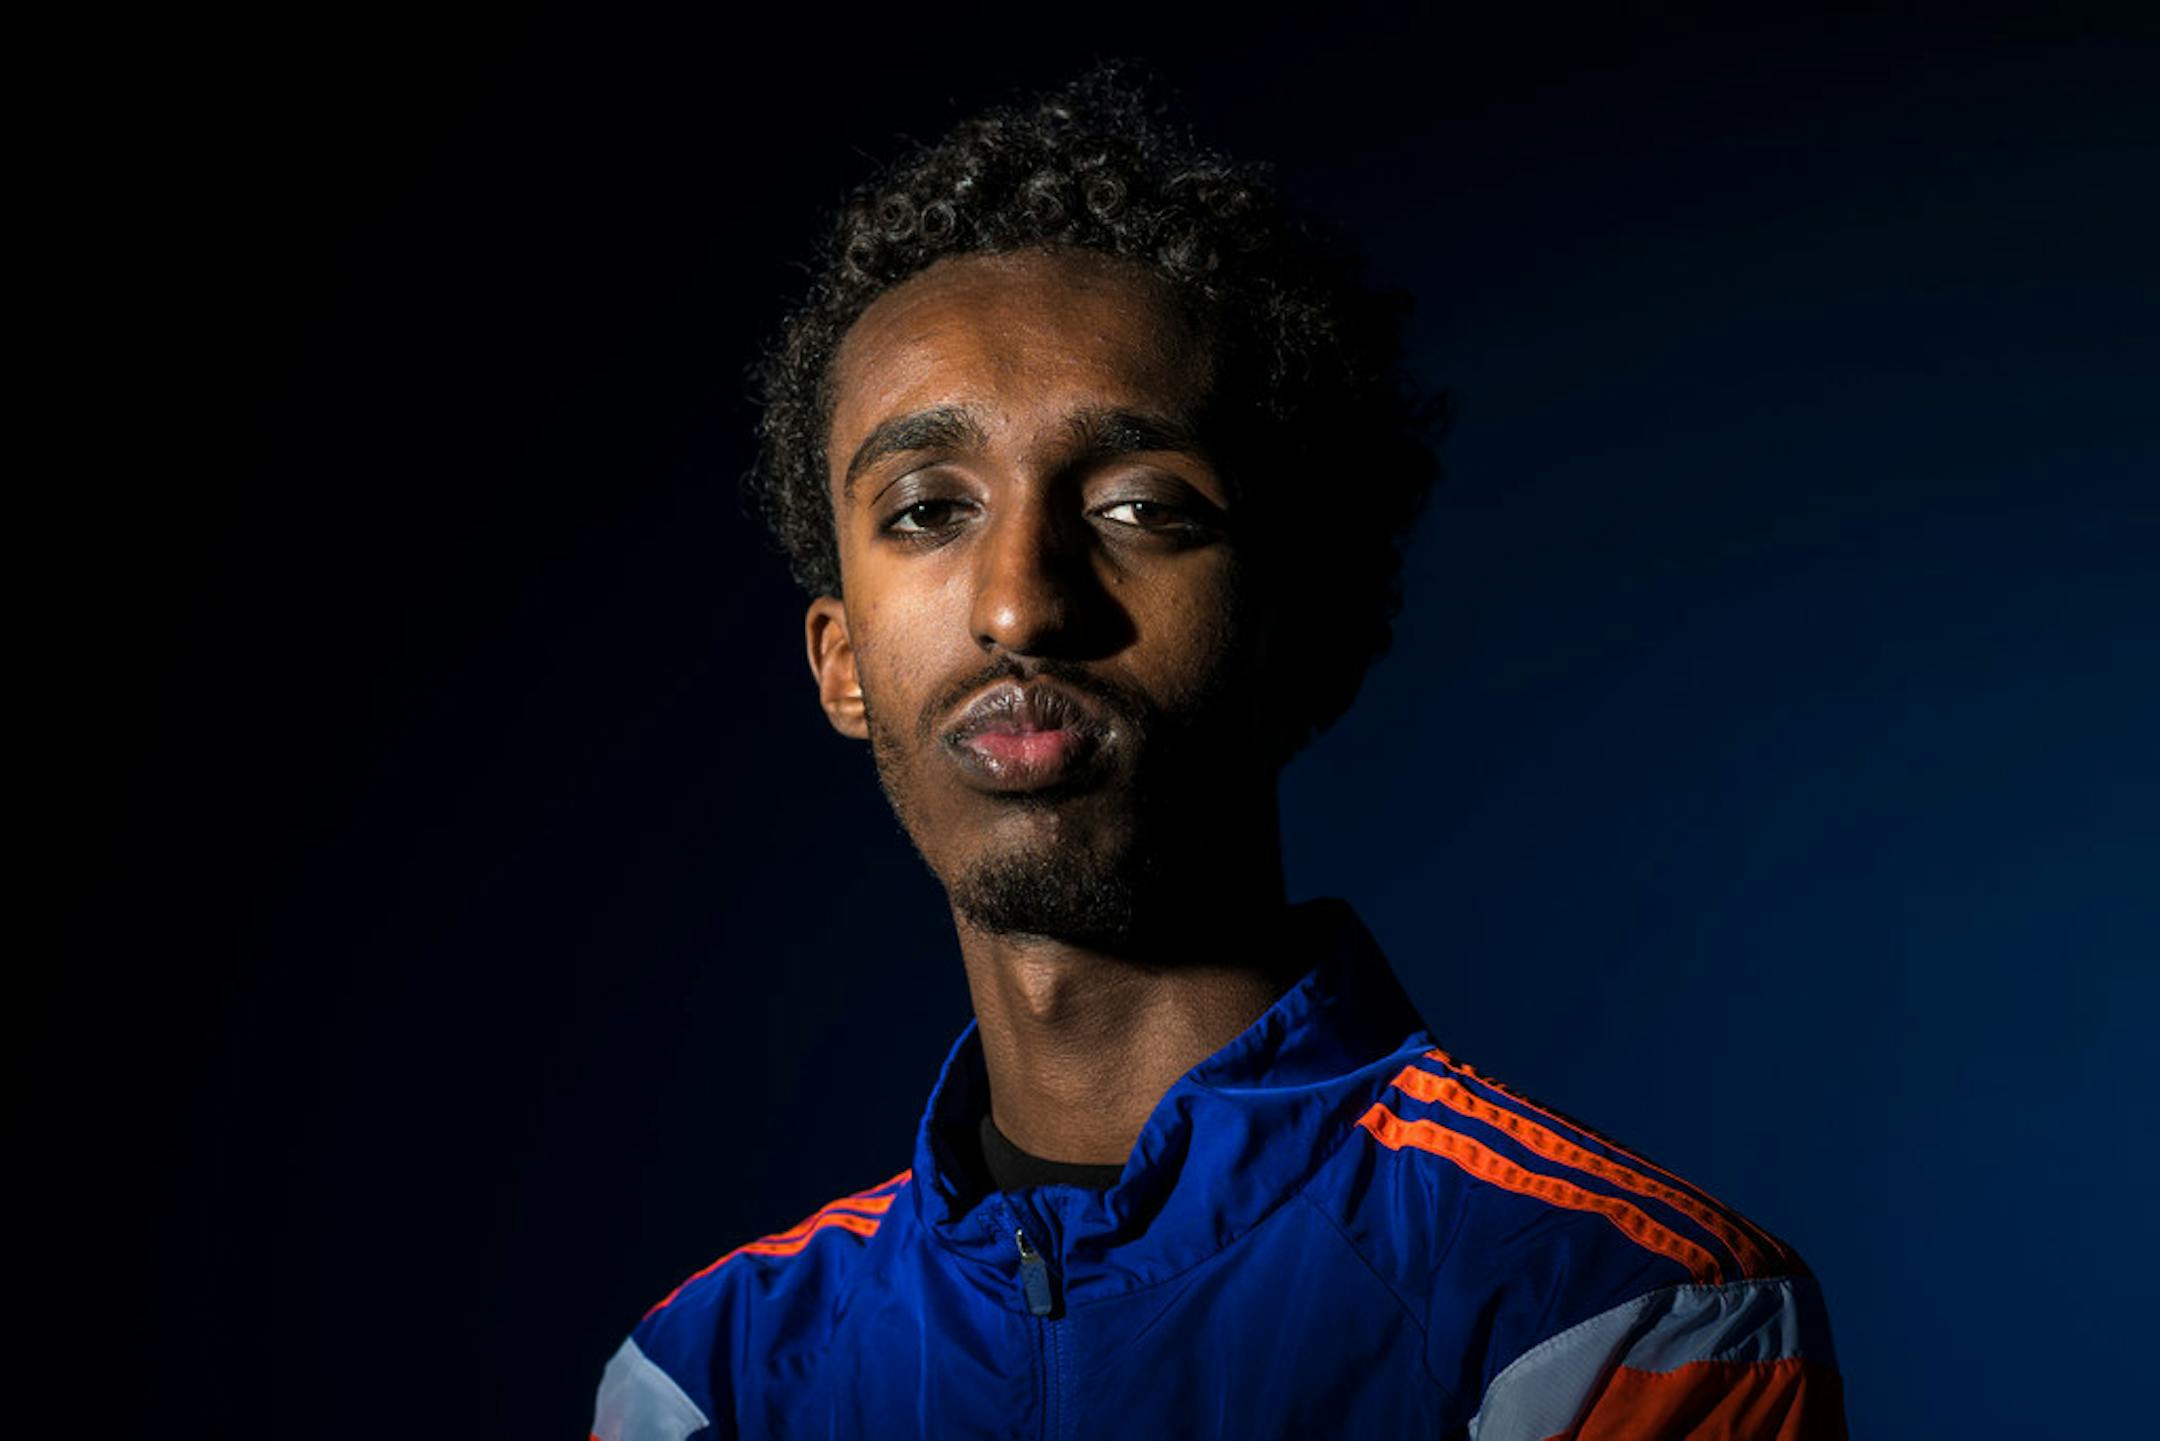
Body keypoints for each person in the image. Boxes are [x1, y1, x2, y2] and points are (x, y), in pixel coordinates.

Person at [591, 68, 1846, 1440]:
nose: (1020, 605)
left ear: (1302, 631)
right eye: (927, 510)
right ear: (841, 662)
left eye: (1140, 506)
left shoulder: (1618, 1318)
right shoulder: (707, 1380)